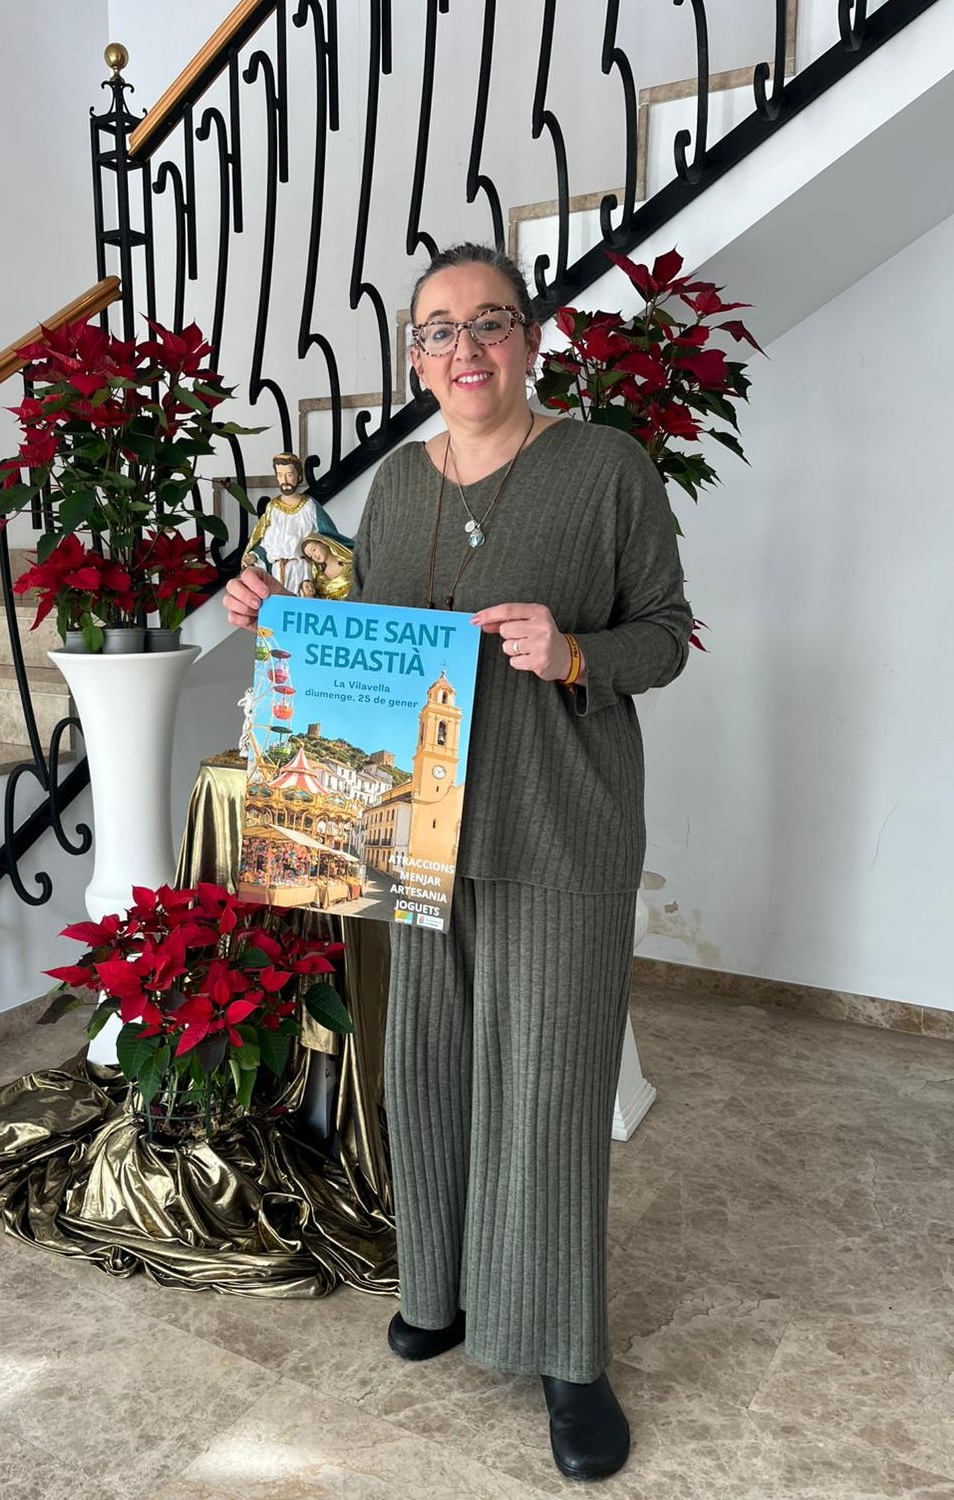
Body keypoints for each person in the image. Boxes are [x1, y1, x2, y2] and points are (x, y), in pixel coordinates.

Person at [224, 243, 692, 1482]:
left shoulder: (606, 468)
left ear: (530, 339)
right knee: (427, 1070)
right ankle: (437, 1288)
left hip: (561, 826)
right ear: (416, 360)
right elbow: (366, 649)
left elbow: (664, 635)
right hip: (414, 837)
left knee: (549, 1090)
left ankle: (566, 1355)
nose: (465, 347)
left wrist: (574, 652)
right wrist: (280, 620)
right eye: (438, 330)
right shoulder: (393, 487)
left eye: (490, 322)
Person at [241, 452, 352, 595]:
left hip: (302, 572)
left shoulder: (309, 506)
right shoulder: (272, 508)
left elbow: (328, 537)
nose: (284, 480)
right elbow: (264, 544)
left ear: (299, 477)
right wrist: (253, 556)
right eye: (280, 475)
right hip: (275, 573)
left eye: (289, 475)